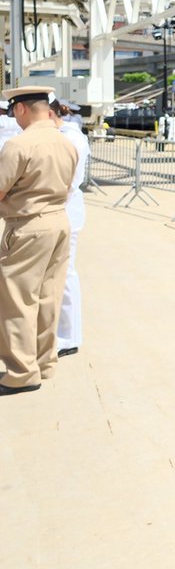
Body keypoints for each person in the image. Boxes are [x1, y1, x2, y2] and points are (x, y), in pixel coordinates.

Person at [0, 86, 78, 395]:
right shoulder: (66, 142)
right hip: (59, 221)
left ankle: (21, 372)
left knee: (18, 300)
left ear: (20, 109)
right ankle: (44, 363)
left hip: (28, 225)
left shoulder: (18, 145)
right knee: (49, 298)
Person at [50, 99, 91, 357]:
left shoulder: (71, 138)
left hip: (66, 211)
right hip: (63, 211)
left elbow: (68, 182)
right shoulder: (63, 135)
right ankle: (64, 333)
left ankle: (69, 337)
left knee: (66, 275)